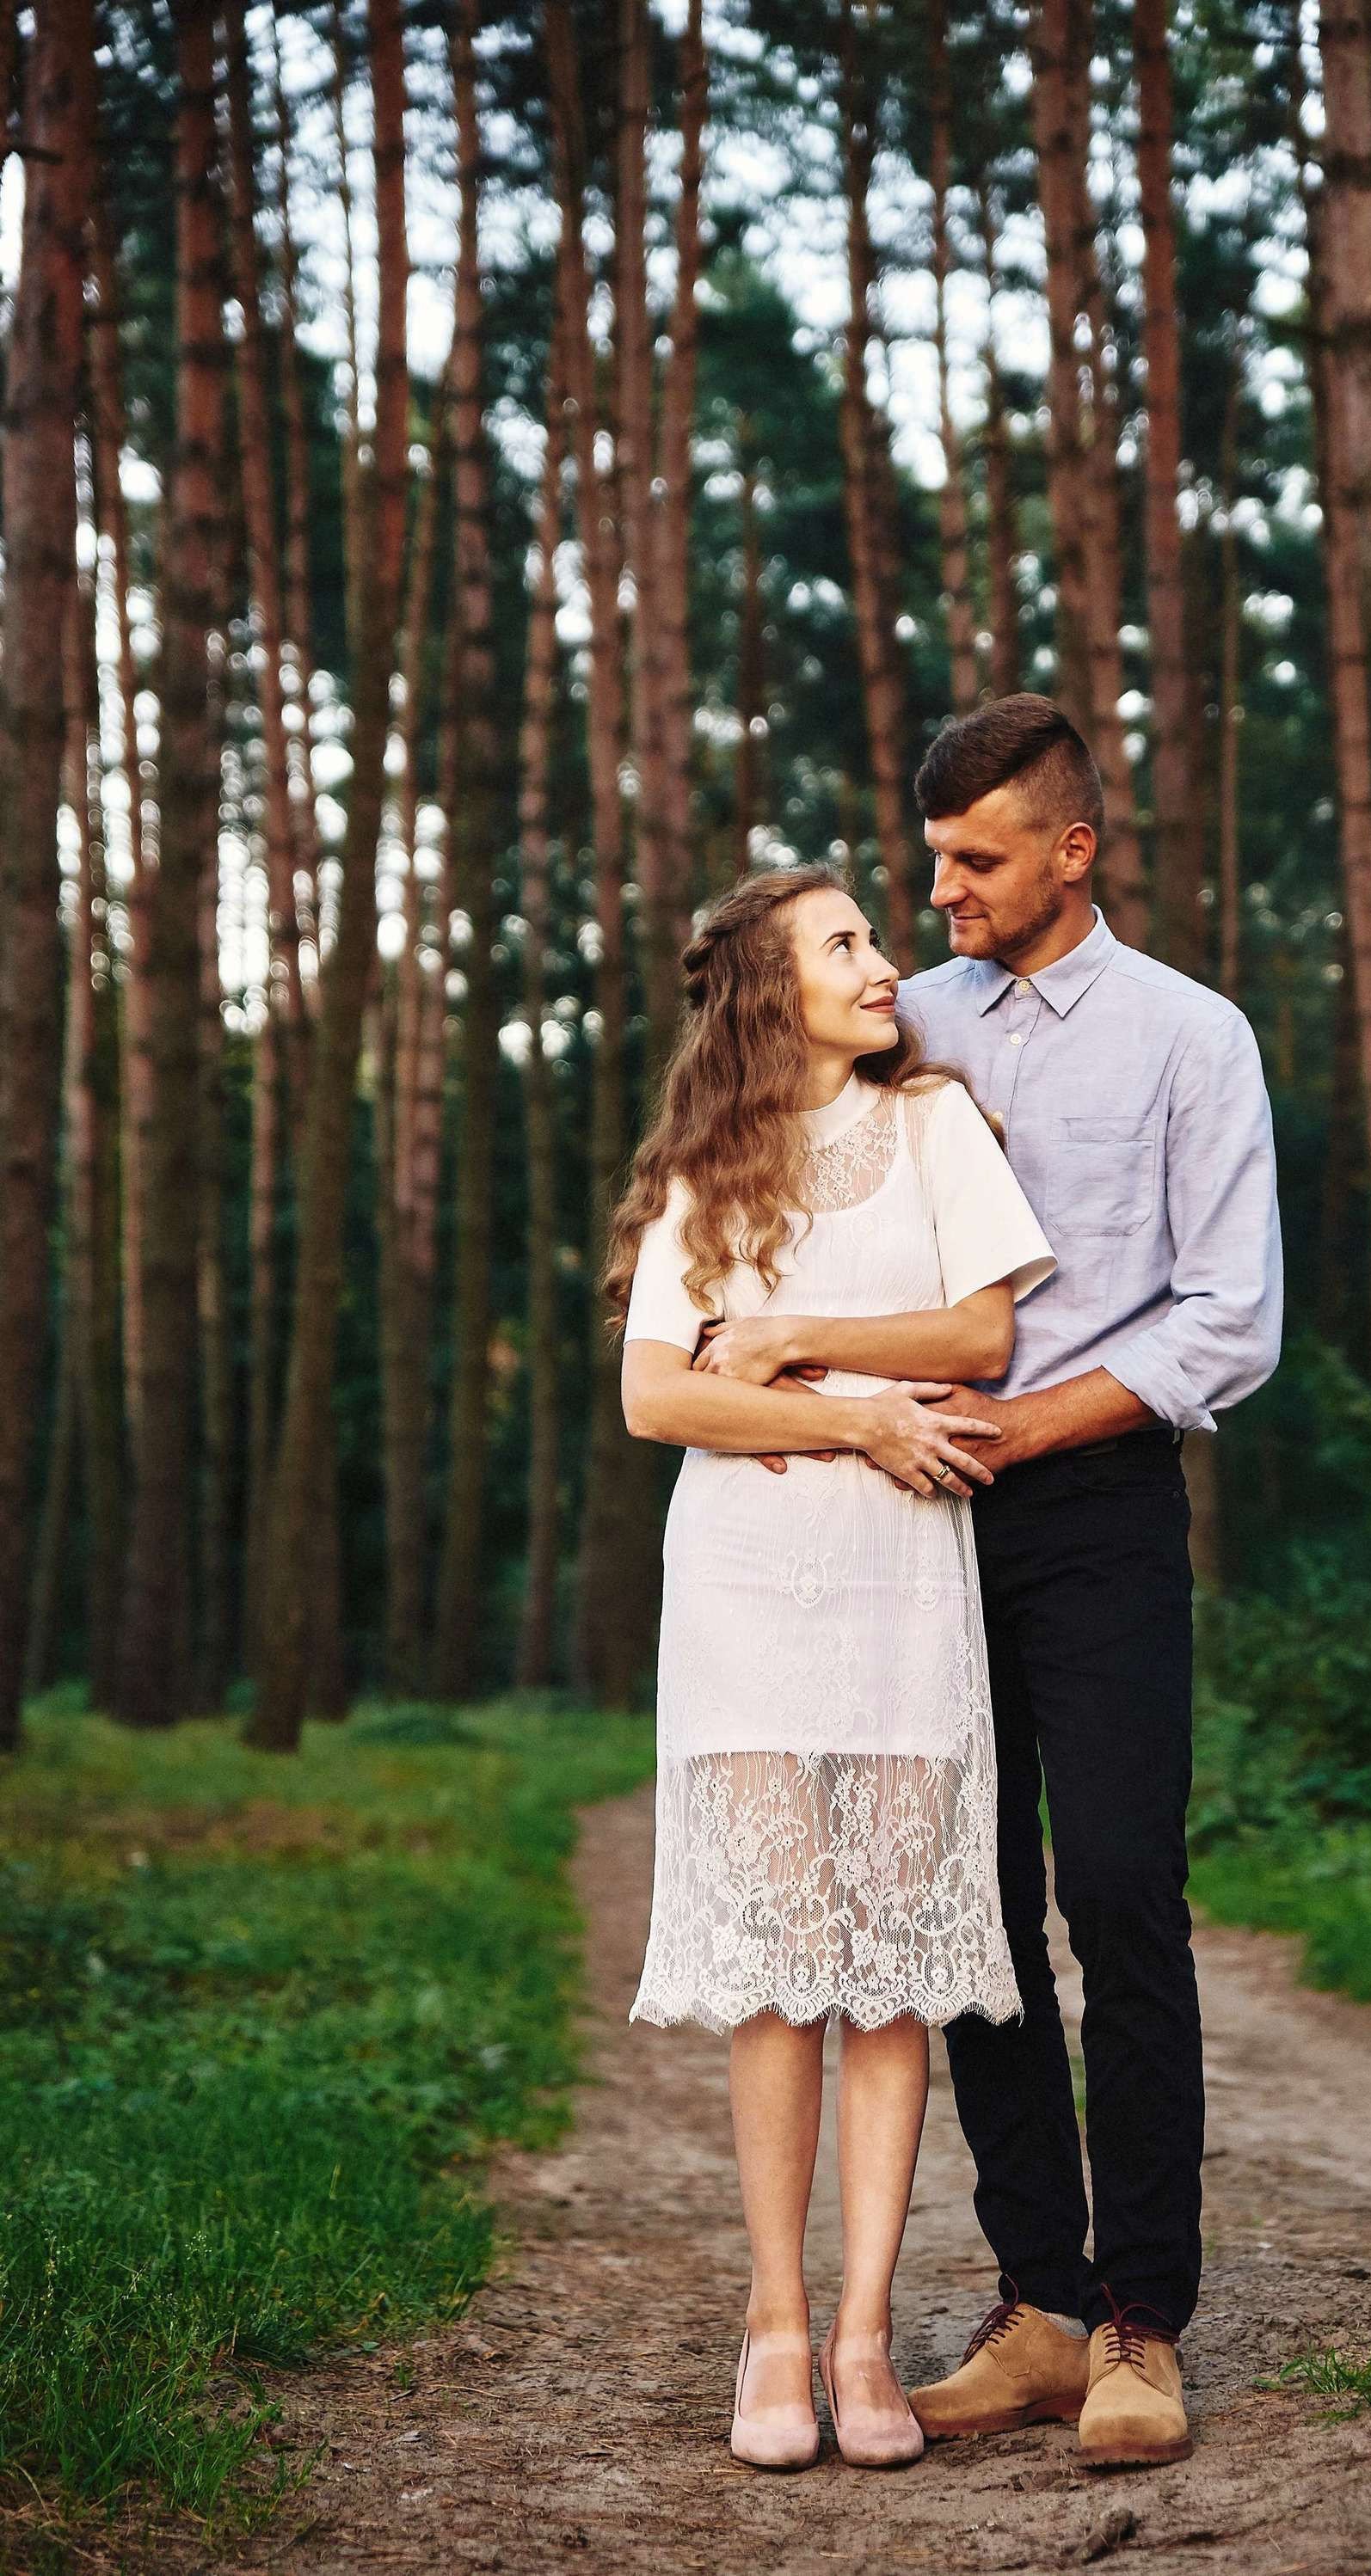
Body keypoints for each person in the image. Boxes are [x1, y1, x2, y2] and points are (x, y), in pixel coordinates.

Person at [609, 865, 1055, 2473]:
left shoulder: (937, 1125)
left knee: (890, 1982)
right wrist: (855, 1419)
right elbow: (662, 1399)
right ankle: (775, 2329)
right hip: (742, 1589)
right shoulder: (704, 1173)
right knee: (785, 1973)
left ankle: (868, 2338)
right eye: (848, 944)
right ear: (764, 991)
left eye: (874, 935)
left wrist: (800, 1348)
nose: (887, 966)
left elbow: (984, 1338)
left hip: (900, 1592)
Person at [893, 695, 1283, 2471]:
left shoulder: (1191, 1038)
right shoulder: (899, 1023)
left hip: (1103, 1500)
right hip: (907, 1513)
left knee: (1119, 1883)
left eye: (974, 857)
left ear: (1072, 847)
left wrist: (1034, 1427)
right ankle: (1038, 2306)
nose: (943, 887)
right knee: (969, 1911)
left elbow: (1231, 1313)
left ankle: (1142, 2324)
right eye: (931, 859)